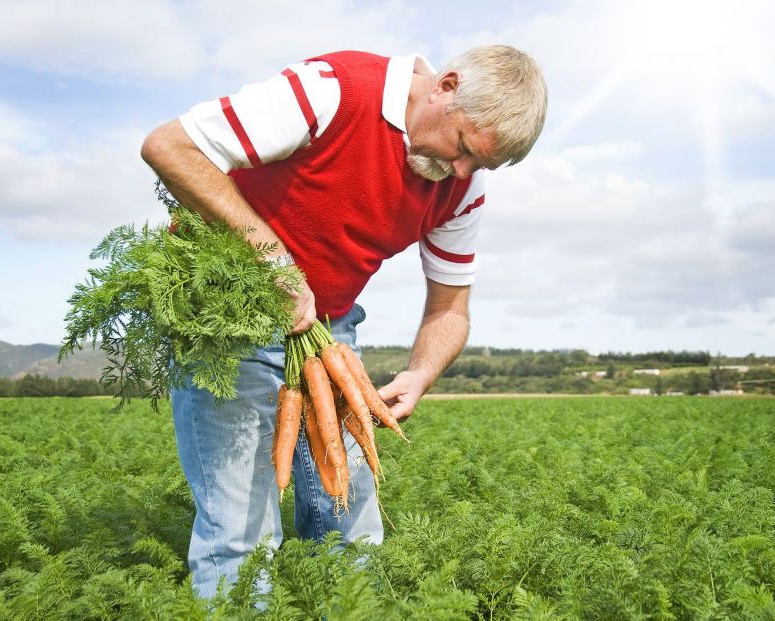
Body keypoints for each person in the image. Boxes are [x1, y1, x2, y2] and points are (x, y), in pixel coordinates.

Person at [140, 45, 547, 599]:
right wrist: (272, 260)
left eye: (481, 166)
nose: (462, 171)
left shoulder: (463, 188)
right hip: (225, 318)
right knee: (241, 532)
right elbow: (170, 146)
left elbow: (450, 308)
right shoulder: (333, 90)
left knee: (350, 524)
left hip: (328, 333)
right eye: (465, 148)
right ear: (446, 86)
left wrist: (420, 374)